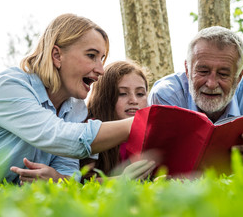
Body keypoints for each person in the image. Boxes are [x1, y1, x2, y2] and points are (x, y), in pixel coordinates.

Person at [0, 14, 135, 185]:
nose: (100, 69)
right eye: (92, 56)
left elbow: (68, 169)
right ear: (57, 55)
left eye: (102, 59)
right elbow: (59, 136)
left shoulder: (76, 109)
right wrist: (137, 124)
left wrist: (56, 178)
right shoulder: (9, 86)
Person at [148, 26, 243, 172]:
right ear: (187, 69)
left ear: (239, 76)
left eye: (223, 74)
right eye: (203, 71)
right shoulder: (166, 95)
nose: (211, 84)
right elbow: (160, 165)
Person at [10, 60, 155, 184]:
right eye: (122, 93)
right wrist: (120, 180)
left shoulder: (150, 134)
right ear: (105, 97)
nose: (134, 101)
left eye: (140, 94)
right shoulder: (89, 129)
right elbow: (80, 181)